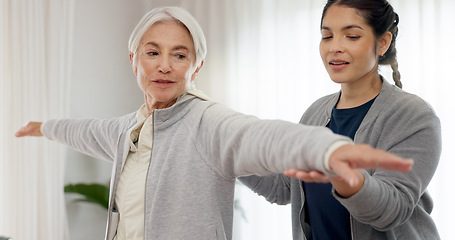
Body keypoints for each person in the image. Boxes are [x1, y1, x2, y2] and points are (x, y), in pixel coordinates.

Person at [15, 6, 413, 240]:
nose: (165, 65)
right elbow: (84, 131)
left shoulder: (209, 121)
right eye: (153, 52)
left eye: (180, 55)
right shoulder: (127, 130)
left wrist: (327, 148)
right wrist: (43, 126)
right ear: (133, 60)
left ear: (197, 66)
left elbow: (261, 135)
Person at [240, 0, 441, 239]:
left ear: (382, 43)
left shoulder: (413, 116)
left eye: (352, 36)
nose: (334, 47)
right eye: (327, 36)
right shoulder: (315, 113)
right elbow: (284, 187)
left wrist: (342, 174)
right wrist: (228, 149)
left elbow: (391, 210)